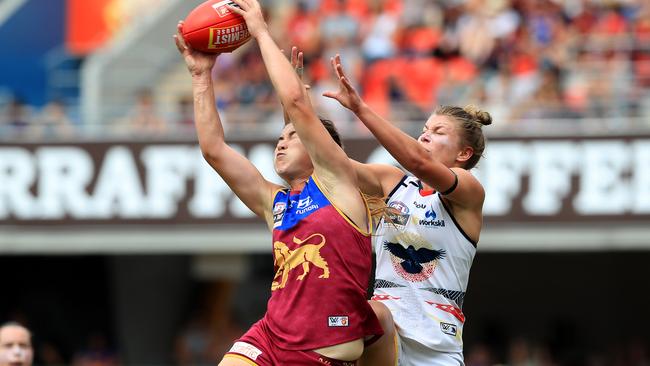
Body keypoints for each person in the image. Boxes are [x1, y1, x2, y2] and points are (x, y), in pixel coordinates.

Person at [173, 0, 386, 363]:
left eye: (292, 136)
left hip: (320, 349)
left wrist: (259, 30)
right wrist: (200, 76)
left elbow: (297, 104)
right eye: (281, 137)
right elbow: (214, 149)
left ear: (325, 148)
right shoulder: (279, 202)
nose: (281, 141)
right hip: (270, 336)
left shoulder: (338, 183)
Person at [323, 54, 490, 365]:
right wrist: (294, 101)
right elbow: (333, 166)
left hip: (437, 351)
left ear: (464, 153)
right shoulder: (392, 182)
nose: (425, 134)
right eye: (425, 128)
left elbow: (418, 161)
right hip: (386, 339)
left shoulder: (468, 191)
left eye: (439, 132)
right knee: (369, 310)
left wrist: (360, 108)